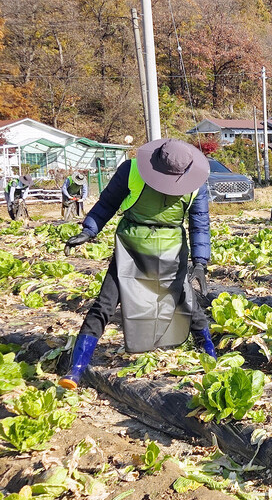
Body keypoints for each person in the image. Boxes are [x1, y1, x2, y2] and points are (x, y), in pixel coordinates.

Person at [59, 139, 216, 389]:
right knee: (105, 303)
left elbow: (200, 222)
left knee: (187, 301)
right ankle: (76, 368)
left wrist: (200, 262)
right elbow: (107, 204)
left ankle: (209, 355)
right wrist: (89, 230)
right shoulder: (131, 171)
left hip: (171, 250)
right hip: (131, 248)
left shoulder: (197, 185)